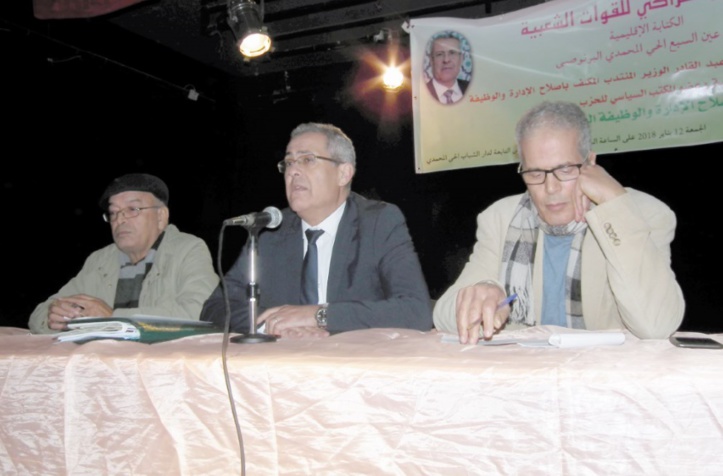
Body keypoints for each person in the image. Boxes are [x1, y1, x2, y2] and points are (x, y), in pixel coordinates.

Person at [433, 101, 684, 343]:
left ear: (591, 164)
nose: (550, 187)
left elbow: (657, 324)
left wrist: (614, 203)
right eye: (535, 173)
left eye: (565, 170)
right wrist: (483, 291)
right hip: (523, 376)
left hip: (606, 378)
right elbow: (442, 315)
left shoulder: (645, 214)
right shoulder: (500, 219)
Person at [201, 123, 432, 337]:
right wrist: (272, 325)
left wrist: (319, 316)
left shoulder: (379, 222)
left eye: (308, 160)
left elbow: (415, 310)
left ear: (343, 173)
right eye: (289, 163)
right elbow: (215, 308)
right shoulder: (270, 233)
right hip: (283, 366)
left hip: (355, 367)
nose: (293, 171)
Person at [29, 173, 219, 334]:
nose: (120, 219)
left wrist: (113, 318)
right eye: (113, 212)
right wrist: (54, 316)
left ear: (161, 216)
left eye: (133, 209)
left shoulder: (188, 249)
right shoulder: (100, 260)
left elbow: (203, 313)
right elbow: (39, 315)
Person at [426, 33, 469, 105]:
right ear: (431, 60)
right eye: (439, 54)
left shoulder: (473, 89)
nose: (446, 60)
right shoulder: (421, 93)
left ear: (461, 59)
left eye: (452, 53)